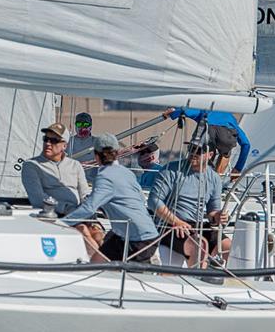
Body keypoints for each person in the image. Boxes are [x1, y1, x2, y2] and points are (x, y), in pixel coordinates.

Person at [62, 133, 160, 263]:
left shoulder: (104, 176)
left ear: (96, 156)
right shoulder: (127, 173)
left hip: (138, 239)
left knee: (123, 277)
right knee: (96, 263)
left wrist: (61, 224)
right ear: (117, 153)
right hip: (140, 234)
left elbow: (89, 208)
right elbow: (141, 200)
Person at [147, 134, 230, 268]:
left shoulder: (214, 178)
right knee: (200, 245)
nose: (193, 153)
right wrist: (176, 222)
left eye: (199, 151)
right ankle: (198, 284)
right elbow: (154, 201)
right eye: (191, 149)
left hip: (197, 225)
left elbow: (212, 212)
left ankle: (235, 285)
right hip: (169, 225)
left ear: (210, 154)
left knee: (230, 247)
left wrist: (218, 216)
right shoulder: (171, 170)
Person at [21, 122, 89, 216]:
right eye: (46, 139)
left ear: (64, 146)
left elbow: (84, 194)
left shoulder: (75, 165)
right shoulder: (31, 165)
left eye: (54, 140)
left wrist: (88, 209)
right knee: (84, 229)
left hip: (76, 214)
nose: (48, 143)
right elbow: (37, 198)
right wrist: (65, 208)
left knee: (96, 229)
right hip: (51, 216)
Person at [163, 108, 250, 176]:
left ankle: (198, 177)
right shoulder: (231, 118)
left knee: (201, 153)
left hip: (208, 128)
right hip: (227, 135)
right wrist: (238, 168)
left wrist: (171, 114)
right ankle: (217, 178)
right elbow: (246, 144)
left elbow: (185, 111)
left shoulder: (204, 110)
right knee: (225, 152)